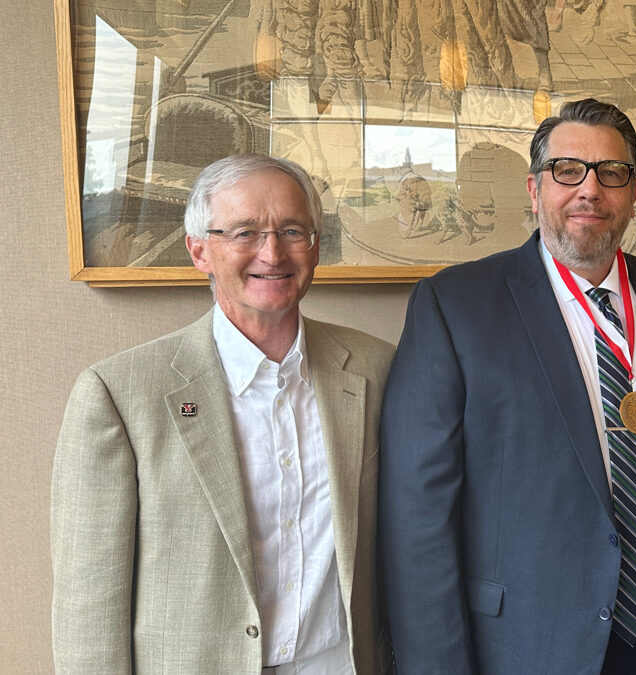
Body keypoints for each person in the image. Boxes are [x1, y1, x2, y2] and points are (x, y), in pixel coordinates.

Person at [379, 98, 636, 674]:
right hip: (522, 643)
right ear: (535, 189)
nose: (590, 190)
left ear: (634, 192)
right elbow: (418, 512)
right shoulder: (454, 306)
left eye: (611, 173)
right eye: (568, 170)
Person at [51, 154, 396, 674]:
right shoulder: (119, 395)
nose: (272, 251)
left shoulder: (379, 367)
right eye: (244, 232)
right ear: (199, 251)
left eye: (293, 230)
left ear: (316, 246)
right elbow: (88, 603)